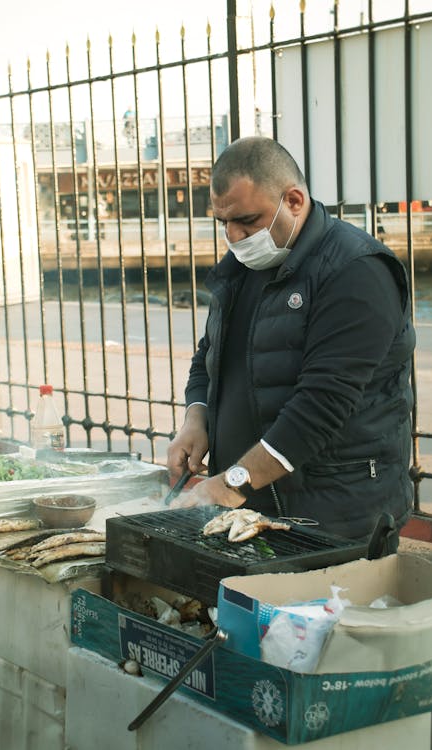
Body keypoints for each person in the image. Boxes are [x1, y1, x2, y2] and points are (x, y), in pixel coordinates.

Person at [167, 136, 415, 540]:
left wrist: (233, 482)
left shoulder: (357, 270)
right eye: (223, 223)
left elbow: (322, 404)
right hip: (248, 508)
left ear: (294, 201)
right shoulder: (242, 265)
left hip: (334, 516)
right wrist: (196, 419)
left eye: (247, 220)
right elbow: (210, 356)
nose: (233, 236)